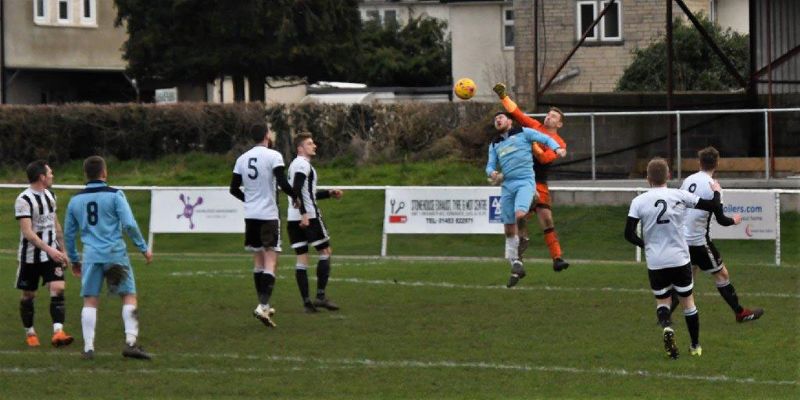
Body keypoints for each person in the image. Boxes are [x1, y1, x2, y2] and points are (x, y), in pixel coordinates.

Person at [625, 157, 734, 359]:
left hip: (656, 261)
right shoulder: (680, 195)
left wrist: (646, 245)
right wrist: (717, 192)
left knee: (663, 302)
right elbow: (712, 206)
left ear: (647, 178)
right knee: (688, 303)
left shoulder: (638, 201)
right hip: (680, 259)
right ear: (668, 175)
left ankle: (667, 326)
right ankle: (694, 346)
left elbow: (628, 234)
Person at [64, 156, 153, 360]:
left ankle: (88, 348)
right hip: (115, 254)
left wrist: (75, 260)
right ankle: (130, 343)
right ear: (104, 173)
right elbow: (129, 224)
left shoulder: (75, 200)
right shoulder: (115, 195)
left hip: (91, 256)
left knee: (90, 300)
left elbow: (69, 234)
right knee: (128, 295)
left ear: (86, 174)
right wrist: (143, 248)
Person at [679, 146, 763, 322]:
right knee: (722, 274)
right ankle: (740, 313)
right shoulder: (713, 186)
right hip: (699, 241)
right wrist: (735, 220)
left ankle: (663, 315)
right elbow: (722, 219)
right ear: (717, 163)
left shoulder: (687, 181)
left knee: (687, 280)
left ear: (699, 162)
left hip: (682, 239)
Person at [493, 83, 569, 272]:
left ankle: (557, 258)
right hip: (521, 181)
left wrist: (533, 145)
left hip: (539, 183)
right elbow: (518, 114)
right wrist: (504, 97)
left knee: (547, 219)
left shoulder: (559, 142)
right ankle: (517, 260)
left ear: (559, 124)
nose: (548, 117)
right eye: (548, 114)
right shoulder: (535, 127)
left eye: (553, 116)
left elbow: (544, 158)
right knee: (519, 220)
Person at [486, 112, 566, 288]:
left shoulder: (525, 132)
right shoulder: (495, 143)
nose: (498, 119)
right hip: (507, 185)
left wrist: (557, 148)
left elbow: (545, 142)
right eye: (495, 119)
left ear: (510, 121)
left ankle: (555, 256)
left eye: (501, 117)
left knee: (523, 215)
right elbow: (490, 165)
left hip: (527, 182)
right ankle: (516, 264)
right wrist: (493, 173)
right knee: (509, 228)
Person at [230, 123, 296, 328]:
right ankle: (263, 305)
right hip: (268, 215)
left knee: (258, 262)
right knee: (270, 261)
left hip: (251, 216)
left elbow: (233, 189)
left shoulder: (241, 159)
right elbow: (282, 182)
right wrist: (296, 196)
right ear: (267, 135)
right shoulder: (274, 156)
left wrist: (248, 199)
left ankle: (264, 306)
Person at [14, 160, 73, 348]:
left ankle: (58, 333)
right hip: (30, 256)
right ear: (42, 177)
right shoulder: (23, 200)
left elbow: (55, 224)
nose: (52, 176)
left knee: (58, 288)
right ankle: (30, 333)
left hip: (52, 254)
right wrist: (51, 250)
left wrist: (63, 250)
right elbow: (28, 233)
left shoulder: (51, 195)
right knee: (28, 295)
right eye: (50, 173)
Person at [286, 133, 343, 313]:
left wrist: (328, 193)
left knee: (302, 258)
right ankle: (320, 297)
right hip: (308, 217)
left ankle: (306, 303)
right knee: (325, 252)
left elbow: (305, 193)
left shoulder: (294, 165)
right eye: (310, 143)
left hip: (293, 218)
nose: (314, 145)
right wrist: (304, 214)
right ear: (300, 148)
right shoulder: (303, 164)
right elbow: (296, 191)